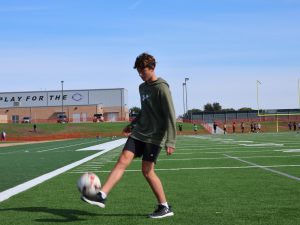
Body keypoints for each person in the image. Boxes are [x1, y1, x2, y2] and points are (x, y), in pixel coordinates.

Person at [80, 53, 176, 219]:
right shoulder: (142, 87)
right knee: (122, 160)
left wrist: (171, 140)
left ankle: (164, 206)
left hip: (154, 136)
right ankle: (101, 195)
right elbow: (145, 110)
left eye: (142, 70)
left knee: (147, 171)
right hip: (139, 132)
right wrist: (132, 123)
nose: (140, 74)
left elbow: (170, 114)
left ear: (152, 68)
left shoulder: (162, 87)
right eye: (138, 71)